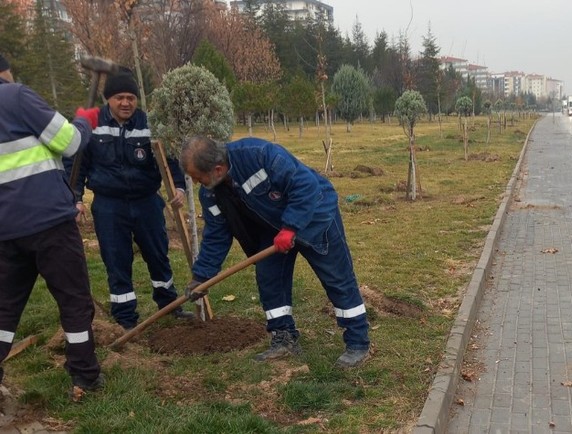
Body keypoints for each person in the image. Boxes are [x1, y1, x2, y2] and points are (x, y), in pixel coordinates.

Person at [180, 136, 371, 369]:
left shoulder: (260, 154)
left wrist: (291, 227)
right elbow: (216, 235)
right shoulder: (211, 194)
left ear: (217, 169)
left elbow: (305, 186)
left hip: (315, 218)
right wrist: (202, 276)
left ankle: (358, 342)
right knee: (270, 279)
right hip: (272, 229)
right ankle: (284, 338)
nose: (199, 183)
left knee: (337, 279)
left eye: (199, 178)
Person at [0, 53, 104, 392]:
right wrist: (84, 121)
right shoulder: (15, 96)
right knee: (74, 300)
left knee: (3, 309)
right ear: (5, 71)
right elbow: (70, 142)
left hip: (5, 230)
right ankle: (84, 377)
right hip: (49, 224)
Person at [68, 69, 193, 330]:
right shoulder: (92, 125)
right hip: (108, 205)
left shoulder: (149, 124)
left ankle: (169, 304)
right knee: (116, 259)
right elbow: (76, 164)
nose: (126, 103)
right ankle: (125, 317)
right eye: (119, 98)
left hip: (146, 201)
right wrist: (76, 198)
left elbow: (170, 159)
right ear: (108, 100)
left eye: (131, 98)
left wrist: (179, 188)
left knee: (158, 254)